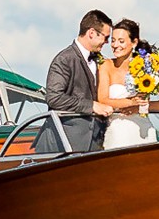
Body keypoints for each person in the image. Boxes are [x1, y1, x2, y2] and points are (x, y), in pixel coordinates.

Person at [40, 8, 119, 152]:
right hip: (65, 144)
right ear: (91, 33)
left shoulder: (101, 61)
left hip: (96, 143)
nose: (107, 43)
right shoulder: (64, 59)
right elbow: (54, 98)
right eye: (106, 37)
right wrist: (91, 106)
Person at [100, 19, 159, 151]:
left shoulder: (146, 66)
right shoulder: (106, 65)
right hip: (117, 133)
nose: (115, 45)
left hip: (143, 133)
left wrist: (142, 108)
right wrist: (130, 102)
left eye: (121, 41)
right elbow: (102, 100)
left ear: (134, 42)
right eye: (113, 40)